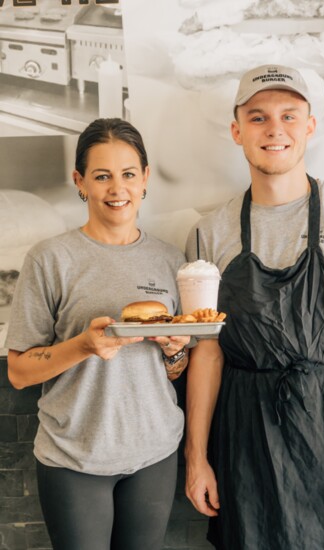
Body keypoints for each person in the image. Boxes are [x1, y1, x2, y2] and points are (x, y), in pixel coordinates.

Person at [184, 65, 324, 550]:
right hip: (243, 438)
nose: (274, 129)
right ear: (237, 130)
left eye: (289, 115)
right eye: (258, 117)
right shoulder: (209, 233)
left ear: (310, 126)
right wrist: (196, 458)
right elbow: (208, 353)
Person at [6, 118, 190, 550]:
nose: (117, 188)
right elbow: (18, 372)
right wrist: (83, 346)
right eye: (102, 176)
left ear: (145, 178)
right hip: (75, 456)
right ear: (80, 182)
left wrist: (175, 352)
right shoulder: (51, 259)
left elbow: (175, 372)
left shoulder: (170, 259)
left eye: (128, 174)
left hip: (154, 454)